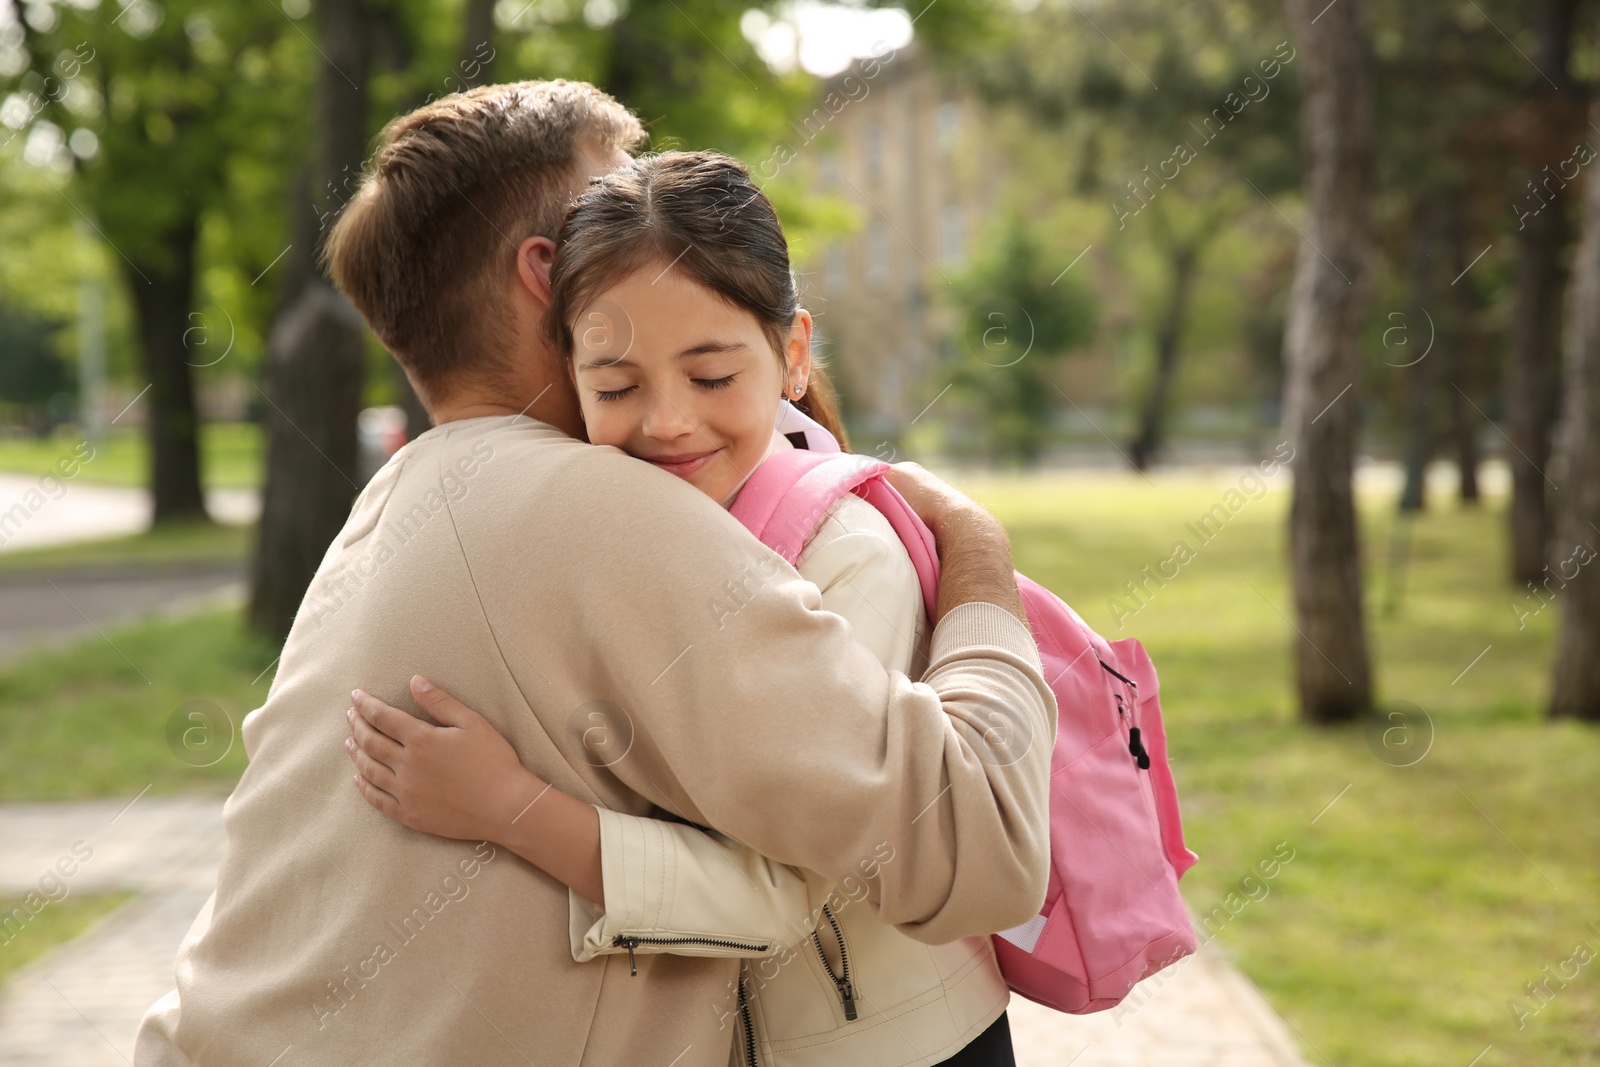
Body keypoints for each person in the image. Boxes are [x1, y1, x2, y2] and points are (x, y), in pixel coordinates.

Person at [134, 81, 1054, 1067]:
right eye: (603, 212)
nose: (646, 227)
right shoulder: (607, 511)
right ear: (547, 275)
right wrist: (979, 556)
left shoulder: (384, 514)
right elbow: (978, 845)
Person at [344, 150, 1024, 1067]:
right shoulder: (623, 539)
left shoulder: (849, 557)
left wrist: (511, 808)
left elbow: (779, 896)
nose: (665, 421)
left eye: (710, 378)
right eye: (617, 387)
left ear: (790, 355)